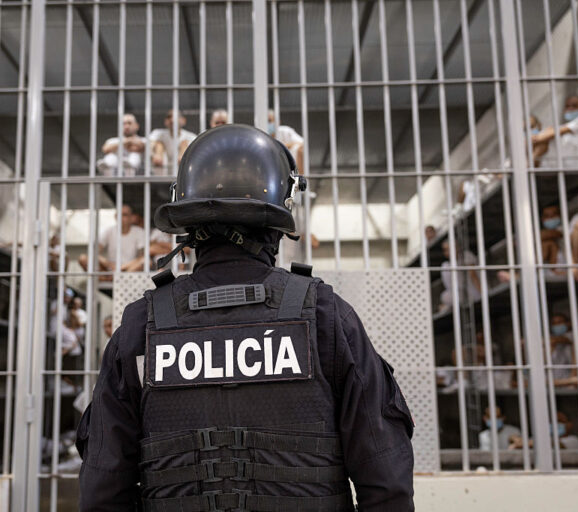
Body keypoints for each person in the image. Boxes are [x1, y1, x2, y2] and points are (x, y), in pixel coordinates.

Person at [77, 124, 414, 510]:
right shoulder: (325, 316)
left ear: (189, 223)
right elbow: (386, 484)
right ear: (275, 223)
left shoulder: (140, 327)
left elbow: (102, 493)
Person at [534, 94, 578, 170]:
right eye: (567, 106)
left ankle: (529, 164)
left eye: (574, 106)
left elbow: (547, 135)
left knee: (548, 138)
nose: (570, 108)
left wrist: (532, 140)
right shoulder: (570, 130)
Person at [78, 204, 146, 278]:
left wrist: (122, 267)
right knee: (83, 258)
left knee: (146, 262)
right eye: (119, 215)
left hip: (129, 269)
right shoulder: (109, 231)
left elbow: (142, 256)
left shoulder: (139, 232)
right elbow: (94, 251)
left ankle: (116, 278)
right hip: (110, 269)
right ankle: (112, 278)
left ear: (131, 217)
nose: (121, 218)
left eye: (125, 215)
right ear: (115, 217)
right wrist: (108, 264)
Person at [439, 240, 481, 310]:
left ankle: (447, 307)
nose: (447, 252)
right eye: (445, 250)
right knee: (445, 296)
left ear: (457, 248)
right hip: (461, 293)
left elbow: (473, 276)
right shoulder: (446, 265)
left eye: (449, 249)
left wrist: (482, 293)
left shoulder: (465, 255)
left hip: (474, 291)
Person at [540, 205, 565, 274]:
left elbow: (547, 234)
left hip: (564, 265)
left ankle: (525, 272)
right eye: (547, 216)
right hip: (546, 269)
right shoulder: (542, 232)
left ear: (559, 216)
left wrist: (525, 239)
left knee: (549, 244)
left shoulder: (563, 229)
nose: (550, 218)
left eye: (553, 215)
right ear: (542, 219)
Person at [549, 312, 574, 380]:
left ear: (568, 324)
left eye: (559, 322)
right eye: (554, 323)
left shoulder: (572, 335)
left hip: (569, 378)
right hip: (552, 379)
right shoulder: (551, 339)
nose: (556, 325)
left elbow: (562, 339)